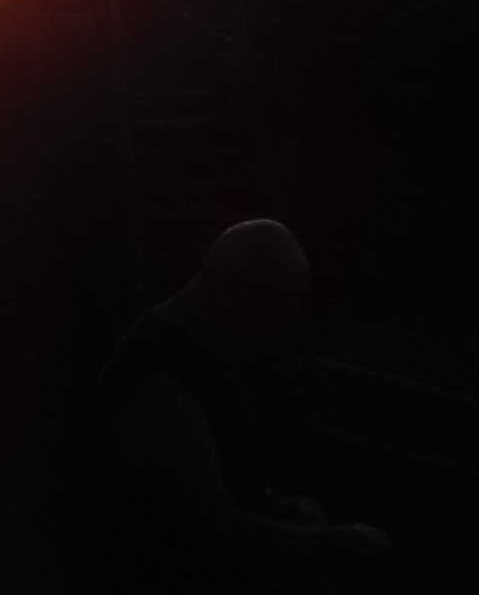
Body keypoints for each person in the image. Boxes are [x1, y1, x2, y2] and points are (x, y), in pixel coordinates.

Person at [91, 219, 393, 591]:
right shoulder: (160, 385)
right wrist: (340, 542)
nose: (276, 336)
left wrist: (273, 505)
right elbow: (218, 536)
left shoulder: (187, 359)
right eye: (275, 317)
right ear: (243, 295)